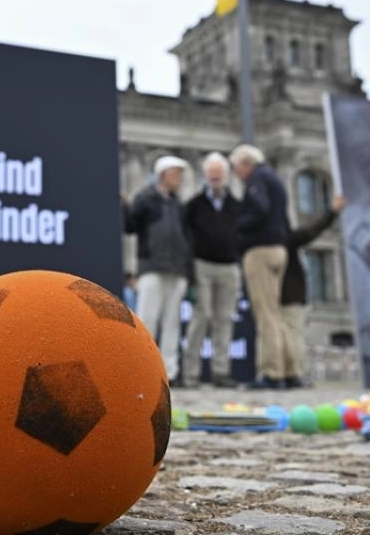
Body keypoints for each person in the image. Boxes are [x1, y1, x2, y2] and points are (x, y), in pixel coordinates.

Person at [122, 155, 191, 384]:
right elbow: (131, 226)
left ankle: (169, 372)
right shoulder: (145, 198)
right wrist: (124, 206)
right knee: (147, 320)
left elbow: (186, 237)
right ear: (163, 175)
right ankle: (142, 369)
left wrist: (187, 270)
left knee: (172, 323)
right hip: (152, 266)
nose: (179, 179)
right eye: (176, 174)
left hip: (176, 269)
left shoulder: (179, 205)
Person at [229, 144, 290, 390]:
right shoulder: (274, 178)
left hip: (260, 250)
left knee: (265, 315)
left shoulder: (258, 178)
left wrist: (238, 226)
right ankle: (290, 370)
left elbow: (259, 208)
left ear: (246, 164)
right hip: (279, 249)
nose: (237, 174)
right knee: (275, 313)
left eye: (236, 168)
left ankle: (271, 373)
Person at [182, 152, 241, 389]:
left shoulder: (237, 206)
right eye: (211, 173)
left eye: (219, 173)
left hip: (229, 266)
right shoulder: (193, 205)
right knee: (201, 317)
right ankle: (190, 373)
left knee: (225, 319)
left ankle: (221, 371)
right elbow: (186, 237)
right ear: (205, 176)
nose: (215, 177)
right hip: (202, 265)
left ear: (226, 176)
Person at [280, 195, 345, 389]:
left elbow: (311, 232)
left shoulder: (284, 237)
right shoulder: (279, 236)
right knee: (289, 337)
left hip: (290, 296)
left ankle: (293, 374)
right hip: (283, 296)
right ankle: (288, 374)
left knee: (292, 337)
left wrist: (331, 212)